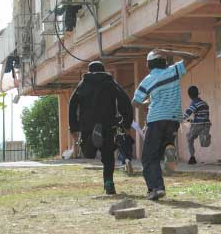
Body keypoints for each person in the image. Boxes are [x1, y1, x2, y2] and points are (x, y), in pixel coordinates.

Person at [132, 49, 196, 200]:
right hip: (174, 119)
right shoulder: (174, 71)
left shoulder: (148, 79)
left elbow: (135, 102)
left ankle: (156, 188)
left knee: (149, 158)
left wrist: (149, 103)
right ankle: (169, 147)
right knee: (159, 153)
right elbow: (191, 56)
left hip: (156, 119)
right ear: (164, 61)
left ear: (149, 64)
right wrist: (169, 51)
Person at [69, 61, 133, 195]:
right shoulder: (110, 83)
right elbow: (124, 100)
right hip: (108, 123)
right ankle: (109, 182)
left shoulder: (83, 84)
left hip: (87, 124)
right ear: (103, 70)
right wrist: (126, 122)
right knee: (108, 155)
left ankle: (92, 141)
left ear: (89, 70)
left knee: (88, 153)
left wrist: (73, 127)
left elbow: (72, 104)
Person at [183, 86, 211, 164]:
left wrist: (180, 118)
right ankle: (205, 136)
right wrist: (191, 120)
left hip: (198, 125)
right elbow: (203, 115)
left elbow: (188, 112)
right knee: (204, 144)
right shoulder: (204, 103)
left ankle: (192, 157)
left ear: (189, 95)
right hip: (206, 124)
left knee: (189, 138)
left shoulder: (194, 103)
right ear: (198, 93)